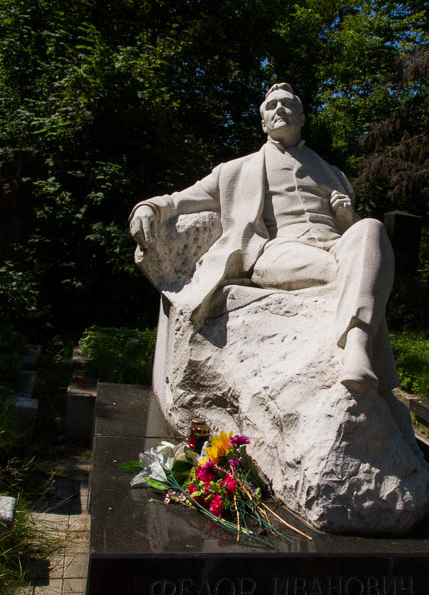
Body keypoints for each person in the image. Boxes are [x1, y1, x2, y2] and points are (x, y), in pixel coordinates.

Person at [130, 83, 395, 395]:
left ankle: (356, 344)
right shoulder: (237, 170)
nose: (279, 109)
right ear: (263, 123)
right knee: (358, 278)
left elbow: (359, 241)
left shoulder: (333, 172)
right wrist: (146, 207)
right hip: (282, 252)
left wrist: (348, 218)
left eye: (287, 104)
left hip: (335, 246)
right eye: (271, 107)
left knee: (372, 228)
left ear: (302, 116)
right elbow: (177, 200)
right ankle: (357, 348)